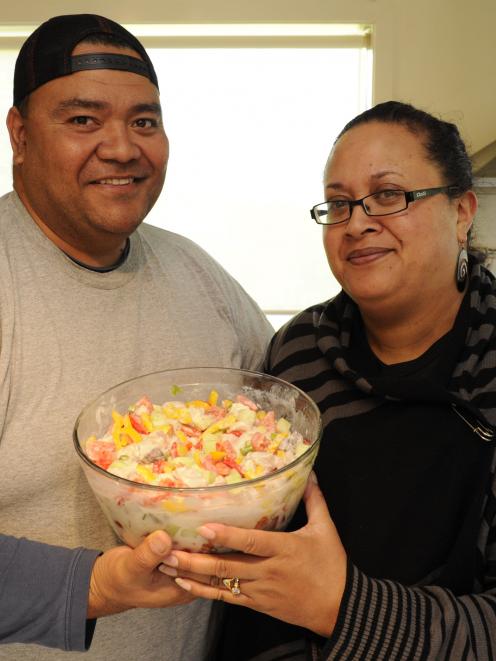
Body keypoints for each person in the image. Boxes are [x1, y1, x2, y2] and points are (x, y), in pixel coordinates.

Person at [161, 101, 496, 659]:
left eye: (388, 195)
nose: (357, 222)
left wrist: (343, 605)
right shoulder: (299, 350)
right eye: (339, 204)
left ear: (462, 211)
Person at [0, 13, 273, 660]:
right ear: (19, 134)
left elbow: (286, 410)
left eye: (144, 121)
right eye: (83, 120)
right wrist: (93, 584)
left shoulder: (200, 277)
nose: (123, 147)